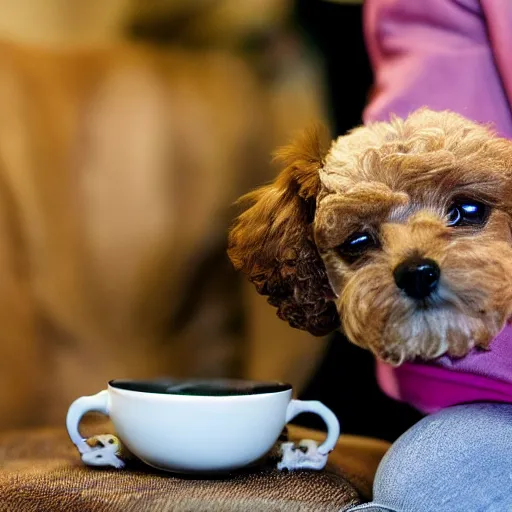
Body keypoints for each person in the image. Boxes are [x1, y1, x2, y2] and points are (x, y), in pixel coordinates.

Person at [348, 1, 512, 510]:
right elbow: (410, 165)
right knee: (430, 478)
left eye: (463, 211)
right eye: (362, 242)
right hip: (493, 393)